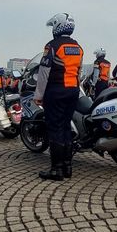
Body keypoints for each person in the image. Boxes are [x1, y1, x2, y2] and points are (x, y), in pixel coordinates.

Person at [35, 13, 83, 181]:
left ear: (57, 26)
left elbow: (43, 72)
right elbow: (79, 71)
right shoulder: (77, 47)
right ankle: (67, 167)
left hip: (56, 91)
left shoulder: (52, 46)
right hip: (73, 91)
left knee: (55, 128)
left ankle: (56, 170)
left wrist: (39, 95)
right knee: (65, 128)